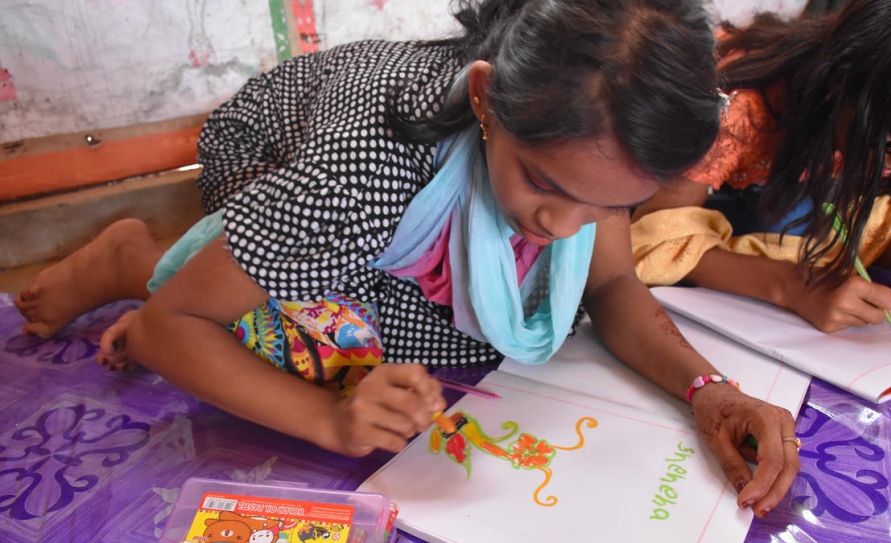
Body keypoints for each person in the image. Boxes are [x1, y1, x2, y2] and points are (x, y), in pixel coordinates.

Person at [15, 0, 797, 517]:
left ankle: (202, 265)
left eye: (611, 204)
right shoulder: (360, 173)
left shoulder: (590, 152)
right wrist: (329, 419)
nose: (566, 227)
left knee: (467, 342)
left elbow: (616, 281)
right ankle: (135, 259)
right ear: (486, 101)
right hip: (266, 146)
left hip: (371, 176)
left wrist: (709, 392)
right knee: (342, 348)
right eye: (545, 184)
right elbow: (165, 330)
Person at [629, 0, 891, 363]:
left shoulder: (853, 122)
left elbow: (851, 231)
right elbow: (650, 238)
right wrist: (790, 286)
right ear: (843, 85)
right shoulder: (741, 109)